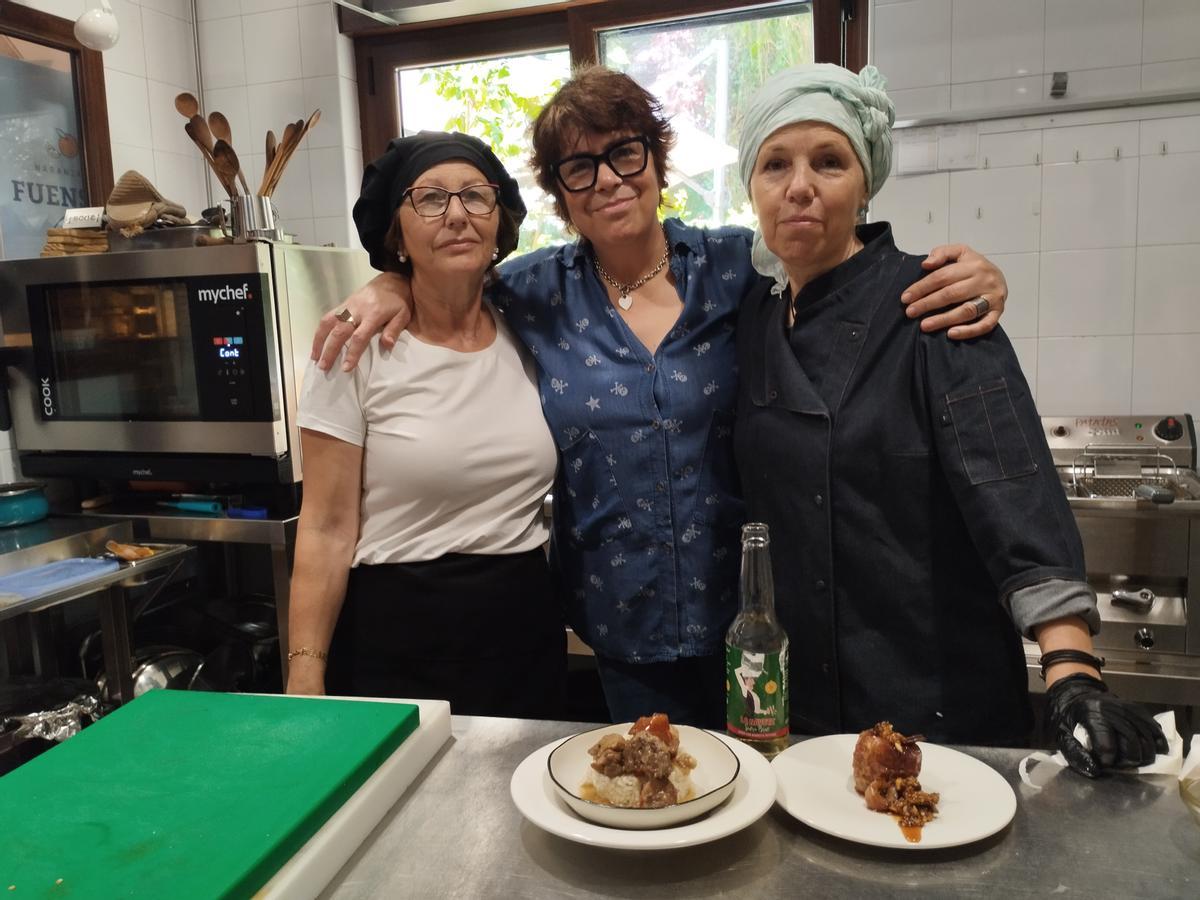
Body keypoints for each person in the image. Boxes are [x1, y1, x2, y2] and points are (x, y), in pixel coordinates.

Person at [309, 66, 1010, 729]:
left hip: (756, 616)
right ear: (560, 192)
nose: (608, 180)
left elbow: (845, 257)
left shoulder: (737, 266)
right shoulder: (534, 293)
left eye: (625, 153)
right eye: (579, 168)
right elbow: (448, 277)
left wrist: (968, 274)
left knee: (762, 807)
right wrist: (388, 284)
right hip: (622, 628)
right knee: (657, 808)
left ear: (657, 161)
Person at [734, 63, 1165, 774]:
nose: (799, 185)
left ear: (865, 181)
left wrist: (1071, 670)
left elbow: (1011, 490)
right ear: (751, 187)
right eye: (775, 164)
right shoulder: (752, 315)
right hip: (797, 703)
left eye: (829, 161)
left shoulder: (934, 303)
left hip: (937, 705)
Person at [285, 131, 566, 719]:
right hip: (397, 639)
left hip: (524, 637)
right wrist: (304, 675)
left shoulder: (532, 328)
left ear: (499, 223)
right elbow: (326, 528)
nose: (458, 215)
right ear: (398, 235)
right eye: (432, 199)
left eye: (475, 196)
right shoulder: (353, 347)